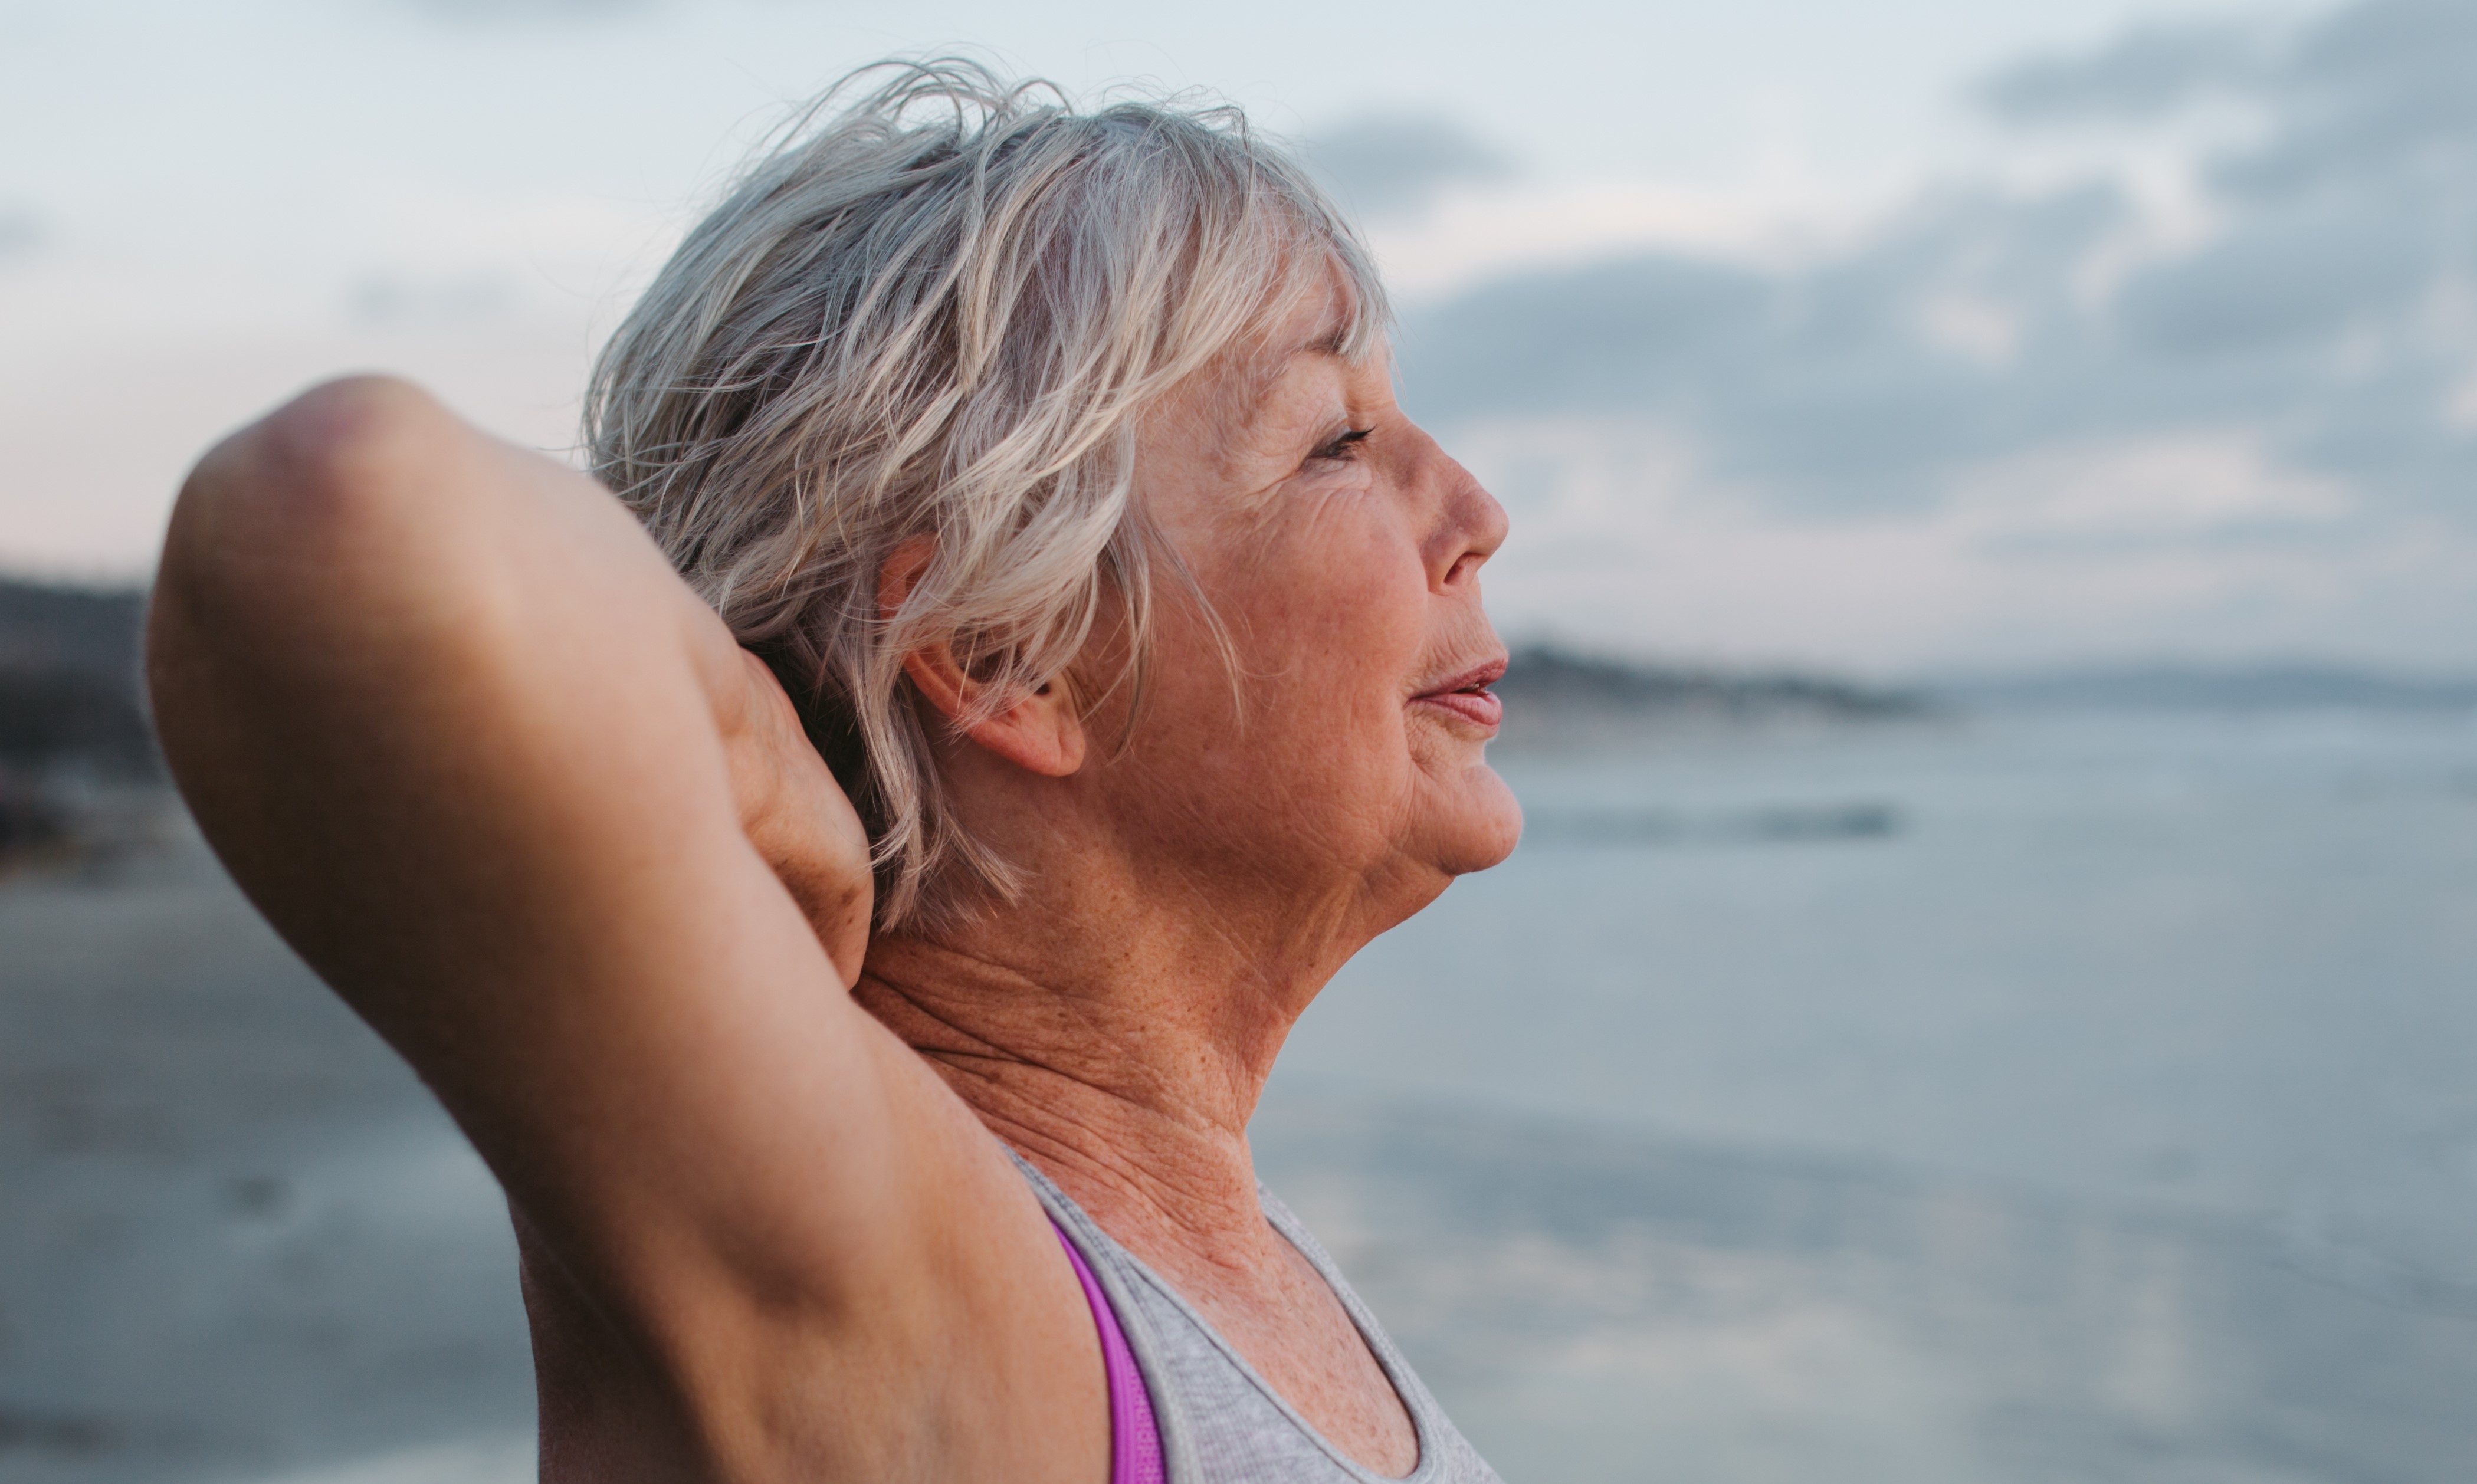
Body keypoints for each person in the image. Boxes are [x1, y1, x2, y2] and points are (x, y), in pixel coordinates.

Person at [146, 61, 1518, 1484]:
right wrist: (755, 763)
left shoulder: (1204, 1253)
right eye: (1337, 441)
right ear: (1000, 655)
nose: (1477, 512)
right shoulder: (885, 1264)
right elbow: (334, 508)